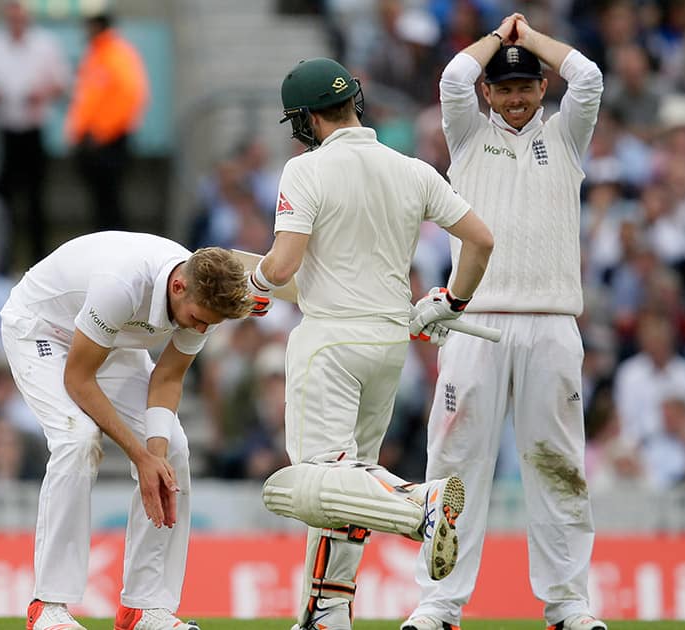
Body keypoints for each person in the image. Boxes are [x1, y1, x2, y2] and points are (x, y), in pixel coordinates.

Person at [252, 57, 494, 630]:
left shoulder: (304, 171)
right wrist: (451, 301)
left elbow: (284, 263)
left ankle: (418, 506)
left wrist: (253, 285)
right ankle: (328, 611)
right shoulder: (410, 168)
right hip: (390, 346)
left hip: (329, 341)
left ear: (306, 120)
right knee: (351, 474)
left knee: (310, 483)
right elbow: (481, 240)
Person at [403, 14, 607, 630]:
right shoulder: (467, 135)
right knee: (455, 464)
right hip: (475, 322)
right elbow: (452, 77)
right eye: (505, 89)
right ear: (488, 94)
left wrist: (529, 39)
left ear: (542, 89)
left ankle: (568, 605)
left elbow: (589, 77)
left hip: (550, 324)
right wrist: (500, 37)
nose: (516, 99)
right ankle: (438, 604)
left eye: (526, 87)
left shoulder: (567, 137)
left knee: (558, 463)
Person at [1, 233, 251, 630]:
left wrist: (155, 458)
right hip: (42, 330)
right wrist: (139, 455)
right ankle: (48, 606)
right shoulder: (122, 284)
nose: (201, 327)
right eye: (198, 319)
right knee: (78, 439)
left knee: (176, 451)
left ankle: (143, 607)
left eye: (209, 324)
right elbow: (80, 379)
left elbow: (168, 378)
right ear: (177, 286)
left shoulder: (202, 297)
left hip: (112, 341)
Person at [0, 0, 70, 264]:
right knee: (2, 199)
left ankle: (39, 258)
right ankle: (2, 257)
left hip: (33, 130)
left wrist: (41, 94)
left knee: (36, 197)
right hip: (1, 131)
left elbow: (62, 83)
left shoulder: (46, 44)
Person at [66, 12, 150, 231]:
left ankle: (117, 246)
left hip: (108, 141)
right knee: (100, 201)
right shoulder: (97, 53)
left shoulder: (116, 54)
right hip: (93, 140)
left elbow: (128, 96)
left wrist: (101, 132)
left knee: (110, 199)